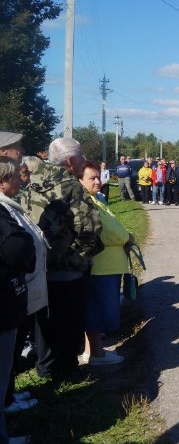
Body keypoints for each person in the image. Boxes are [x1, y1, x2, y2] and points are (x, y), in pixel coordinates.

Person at [25, 137, 103, 379]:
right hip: (67, 268)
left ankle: (45, 368)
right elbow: (89, 229)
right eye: (80, 158)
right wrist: (80, 259)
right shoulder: (71, 185)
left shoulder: (30, 180)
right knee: (70, 323)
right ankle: (68, 371)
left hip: (37, 266)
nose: (83, 162)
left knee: (43, 322)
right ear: (70, 161)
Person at [0, 156, 45, 420]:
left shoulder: (9, 206)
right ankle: (5, 402)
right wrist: (27, 243)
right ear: (2, 183)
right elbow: (17, 247)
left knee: (11, 355)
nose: (21, 179)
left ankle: (8, 395)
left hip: (15, 294)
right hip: (6, 296)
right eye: (16, 176)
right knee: (4, 359)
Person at [78, 162, 133, 365]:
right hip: (101, 267)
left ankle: (90, 352)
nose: (97, 181)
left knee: (94, 311)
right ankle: (97, 355)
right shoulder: (89, 203)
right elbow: (110, 231)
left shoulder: (95, 200)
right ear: (79, 181)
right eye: (92, 178)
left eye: (97, 177)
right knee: (97, 313)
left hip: (105, 265)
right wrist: (128, 238)